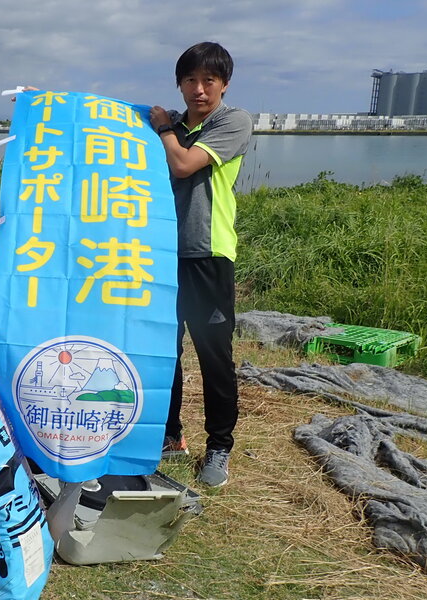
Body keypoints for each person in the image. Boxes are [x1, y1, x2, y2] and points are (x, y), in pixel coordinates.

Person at [148, 42, 253, 487]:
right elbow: (106, 118)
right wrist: (45, 102)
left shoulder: (232, 122)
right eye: (190, 80)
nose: (199, 89)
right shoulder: (167, 123)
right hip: (159, 255)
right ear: (180, 84)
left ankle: (219, 447)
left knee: (214, 356)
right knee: (162, 353)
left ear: (224, 84)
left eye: (208, 80)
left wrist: (166, 130)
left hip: (208, 254)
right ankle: (169, 436)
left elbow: (186, 163)